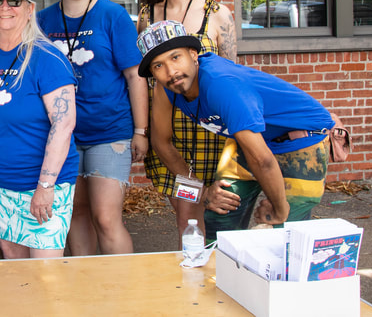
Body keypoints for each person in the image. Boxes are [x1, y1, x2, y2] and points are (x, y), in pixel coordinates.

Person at [137, 20, 335, 241]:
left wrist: (279, 210)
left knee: (284, 236)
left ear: (193, 54)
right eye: (158, 65)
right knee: (219, 217)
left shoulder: (222, 85)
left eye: (175, 57)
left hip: (299, 141)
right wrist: (202, 192)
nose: (171, 71)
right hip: (250, 144)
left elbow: (263, 161)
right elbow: (161, 143)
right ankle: (218, 275)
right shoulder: (169, 86)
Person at [37, 0, 147, 255]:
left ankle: (122, 290)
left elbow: (134, 75)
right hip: (62, 136)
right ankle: (86, 288)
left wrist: (140, 131)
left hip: (108, 131)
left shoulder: (113, 16)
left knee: (106, 217)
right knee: (75, 215)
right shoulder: (43, 21)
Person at [0, 0, 79, 259]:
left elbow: (64, 124)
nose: (5, 7)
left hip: (41, 187)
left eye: (14, 0)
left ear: (30, 9)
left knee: (46, 280)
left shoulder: (47, 57)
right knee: (15, 277)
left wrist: (45, 187)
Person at [137, 0, 237, 243]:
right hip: (168, 132)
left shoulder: (217, 13)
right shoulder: (146, 16)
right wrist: (142, 129)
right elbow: (144, 78)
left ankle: (216, 275)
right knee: (186, 214)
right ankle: (194, 276)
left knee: (215, 213)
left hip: (211, 130)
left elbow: (231, 76)